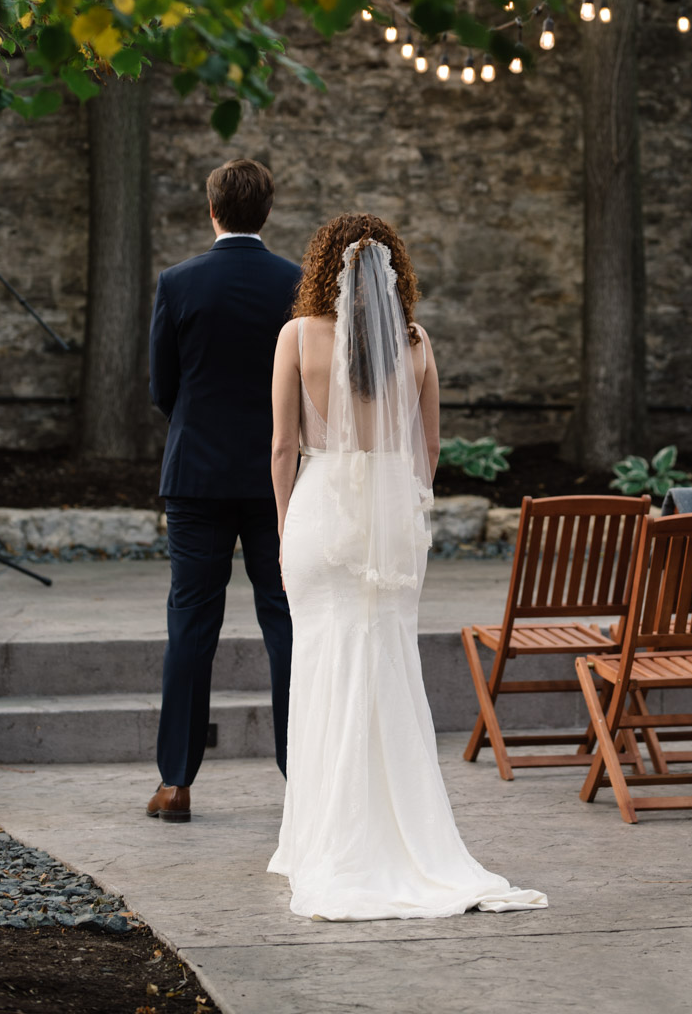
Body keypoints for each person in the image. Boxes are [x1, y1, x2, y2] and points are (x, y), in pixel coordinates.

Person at [268, 212, 546, 920]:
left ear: (324, 266)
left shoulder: (298, 337)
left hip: (321, 509)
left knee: (320, 665)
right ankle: (393, 837)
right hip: (391, 521)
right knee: (385, 664)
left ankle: (320, 839)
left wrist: (283, 525)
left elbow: (281, 446)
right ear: (395, 272)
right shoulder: (418, 344)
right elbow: (426, 455)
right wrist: (399, 516)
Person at [146, 158, 300, 822]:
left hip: (198, 478)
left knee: (191, 626)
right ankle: (305, 778)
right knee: (287, 623)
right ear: (266, 212)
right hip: (281, 482)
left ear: (213, 209)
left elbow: (162, 388)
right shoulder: (297, 284)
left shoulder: (178, 283)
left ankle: (176, 782)